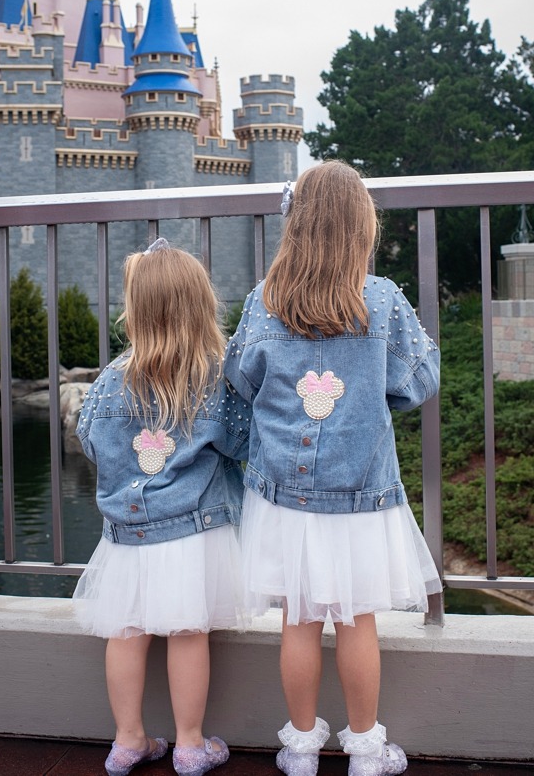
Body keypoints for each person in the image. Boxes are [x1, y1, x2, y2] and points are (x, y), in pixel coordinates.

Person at [224, 161, 441, 775]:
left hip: (283, 495)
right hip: (361, 493)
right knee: (356, 619)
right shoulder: (383, 299)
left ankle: (299, 749)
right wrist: (376, 400)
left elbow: (240, 379)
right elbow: (419, 377)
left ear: (296, 223)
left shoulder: (262, 302)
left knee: (297, 617)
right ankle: (366, 749)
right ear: (360, 226)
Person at [73, 238, 250, 776]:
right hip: (195, 530)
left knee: (126, 632)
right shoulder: (213, 376)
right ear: (201, 305)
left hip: (128, 534)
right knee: (188, 633)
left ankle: (127, 741)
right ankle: (191, 745)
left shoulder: (108, 382)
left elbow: (88, 440)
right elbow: (241, 443)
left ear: (135, 309)